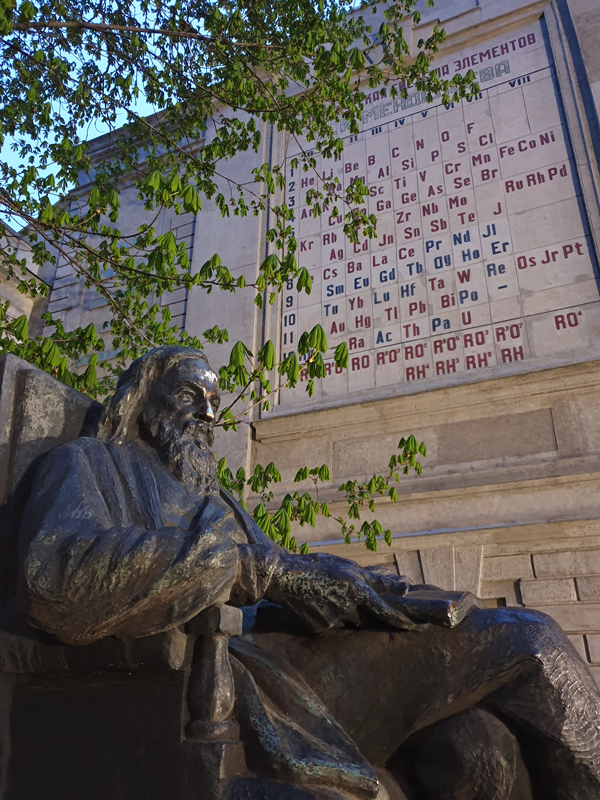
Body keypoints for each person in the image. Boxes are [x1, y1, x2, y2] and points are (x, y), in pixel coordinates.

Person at [17, 346, 600, 800]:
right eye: (191, 395)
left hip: (302, 652)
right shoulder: (89, 464)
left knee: (478, 747)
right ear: (144, 402)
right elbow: (54, 573)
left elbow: (284, 570)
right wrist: (246, 569)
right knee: (531, 642)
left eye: (215, 404)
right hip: (239, 668)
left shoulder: (219, 499)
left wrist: (353, 585)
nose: (208, 415)